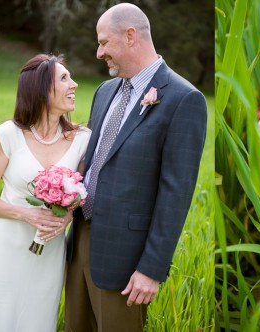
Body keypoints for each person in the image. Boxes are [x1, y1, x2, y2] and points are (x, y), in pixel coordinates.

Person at [64, 3, 207, 331]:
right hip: (80, 241)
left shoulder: (184, 99)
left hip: (127, 260)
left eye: (104, 42)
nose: (99, 53)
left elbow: (176, 193)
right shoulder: (105, 92)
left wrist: (152, 269)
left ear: (130, 36)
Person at [0, 54, 91, 332]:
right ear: (42, 90)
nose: (75, 84)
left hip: (49, 255)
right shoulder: (7, 134)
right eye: (64, 78)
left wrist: (66, 217)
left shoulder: (83, 139)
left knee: (36, 321)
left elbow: (81, 196)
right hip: (4, 249)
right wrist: (28, 215)